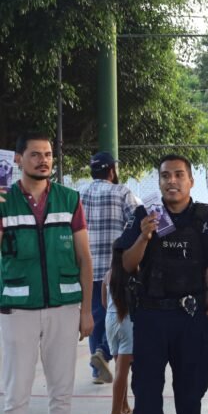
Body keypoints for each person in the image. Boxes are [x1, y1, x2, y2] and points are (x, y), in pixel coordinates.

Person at [116, 154, 208, 414]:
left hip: (191, 319)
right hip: (151, 317)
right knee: (147, 391)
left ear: (190, 181)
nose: (172, 181)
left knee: (191, 392)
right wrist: (144, 237)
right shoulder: (143, 216)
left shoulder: (207, 220)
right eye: (165, 175)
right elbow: (127, 264)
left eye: (179, 175)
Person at [0, 132, 93, 414]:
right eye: (35, 154)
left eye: (49, 154)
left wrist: (86, 311)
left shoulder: (69, 199)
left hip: (64, 307)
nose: (44, 160)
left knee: (62, 390)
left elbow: (84, 258)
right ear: (19, 159)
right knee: (15, 390)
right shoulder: (4, 201)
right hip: (17, 306)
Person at [80, 150, 142, 385]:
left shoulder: (80, 194)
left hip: (87, 267)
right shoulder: (122, 192)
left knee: (95, 314)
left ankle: (97, 371)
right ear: (112, 170)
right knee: (119, 313)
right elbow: (138, 218)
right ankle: (104, 352)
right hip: (115, 268)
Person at [103, 249, 134, 414]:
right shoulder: (131, 274)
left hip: (110, 320)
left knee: (119, 370)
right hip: (126, 322)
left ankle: (124, 406)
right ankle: (116, 413)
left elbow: (103, 301)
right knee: (122, 372)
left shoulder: (108, 275)